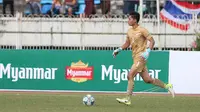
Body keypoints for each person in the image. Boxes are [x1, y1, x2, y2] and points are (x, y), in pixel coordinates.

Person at [112, 12, 175, 106]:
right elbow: (127, 43)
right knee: (148, 79)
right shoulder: (129, 31)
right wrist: (119, 49)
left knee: (130, 75)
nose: (128, 20)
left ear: (135, 20)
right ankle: (167, 86)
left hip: (141, 57)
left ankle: (127, 98)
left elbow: (152, 41)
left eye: (129, 18)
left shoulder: (142, 30)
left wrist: (148, 51)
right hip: (135, 57)